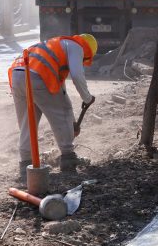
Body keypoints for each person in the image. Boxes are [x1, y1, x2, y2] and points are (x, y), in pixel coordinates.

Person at [8, 34, 97, 182]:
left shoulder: (57, 45)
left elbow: (60, 91)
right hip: (37, 76)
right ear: (87, 51)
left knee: (27, 123)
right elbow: (76, 75)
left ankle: (25, 165)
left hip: (17, 74)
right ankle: (68, 157)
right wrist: (87, 98)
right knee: (63, 111)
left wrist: (72, 123)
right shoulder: (77, 46)